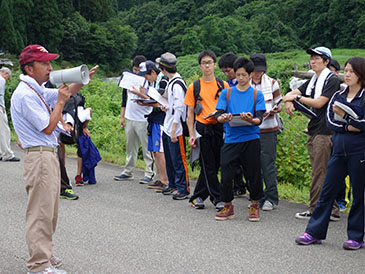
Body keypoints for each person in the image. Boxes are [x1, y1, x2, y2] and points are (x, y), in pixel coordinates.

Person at [10, 44, 97, 274]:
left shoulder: (36, 89)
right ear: (30, 68)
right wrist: (59, 102)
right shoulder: (25, 94)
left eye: (50, 62)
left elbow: (67, 93)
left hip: (47, 156)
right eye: (45, 63)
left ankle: (46, 255)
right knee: (40, 212)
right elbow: (49, 127)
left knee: (49, 210)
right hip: (39, 155)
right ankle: (38, 265)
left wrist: (82, 78)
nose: (50, 67)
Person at [295, 57, 365, 250]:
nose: (347, 74)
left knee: (359, 195)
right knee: (327, 191)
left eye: (352, 71)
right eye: (346, 71)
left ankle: (357, 237)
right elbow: (329, 121)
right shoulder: (339, 95)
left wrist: (348, 120)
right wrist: (352, 125)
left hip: (359, 151)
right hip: (338, 149)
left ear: (361, 74)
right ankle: (314, 232)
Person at [283, 46, 341, 221]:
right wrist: (289, 100)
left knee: (319, 171)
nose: (313, 61)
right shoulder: (314, 80)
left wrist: (296, 99)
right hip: (314, 129)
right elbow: (292, 93)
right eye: (312, 58)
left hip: (325, 131)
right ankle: (333, 209)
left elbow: (318, 103)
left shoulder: (331, 80)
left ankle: (315, 209)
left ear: (326, 61)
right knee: (322, 171)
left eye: (317, 58)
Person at [215, 57, 265, 222]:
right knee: (226, 170)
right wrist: (224, 117)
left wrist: (250, 120)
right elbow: (218, 115)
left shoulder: (257, 94)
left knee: (253, 173)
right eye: (238, 75)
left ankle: (255, 204)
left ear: (250, 75)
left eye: (244, 75)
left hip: (251, 138)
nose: (241, 78)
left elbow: (259, 119)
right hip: (231, 138)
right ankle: (228, 205)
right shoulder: (227, 92)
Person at [184, 49, 229, 210]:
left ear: (215, 64)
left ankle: (197, 196)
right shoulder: (194, 86)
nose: (207, 66)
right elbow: (189, 112)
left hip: (219, 127)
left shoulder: (223, 85)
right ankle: (218, 199)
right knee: (208, 164)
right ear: (200, 66)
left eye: (209, 62)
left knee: (215, 164)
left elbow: (227, 106)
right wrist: (191, 134)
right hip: (202, 129)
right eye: (204, 63)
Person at [113, 55, 155, 184]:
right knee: (130, 147)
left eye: (139, 70)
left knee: (147, 148)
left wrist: (140, 93)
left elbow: (152, 99)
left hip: (143, 118)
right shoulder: (128, 79)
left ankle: (149, 173)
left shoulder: (149, 80)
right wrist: (122, 116)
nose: (137, 72)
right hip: (130, 118)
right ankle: (127, 171)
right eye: (135, 69)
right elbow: (124, 99)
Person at [249, 53, 282, 211]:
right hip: (250, 129)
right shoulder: (245, 84)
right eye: (255, 70)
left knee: (268, 164)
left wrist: (276, 109)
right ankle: (258, 196)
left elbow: (279, 103)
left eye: (260, 70)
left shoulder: (272, 83)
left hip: (268, 129)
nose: (257, 73)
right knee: (252, 164)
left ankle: (271, 197)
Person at [133, 60, 169, 192]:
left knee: (160, 151)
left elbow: (162, 102)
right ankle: (161, 179)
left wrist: (143, 98)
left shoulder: (164, 81)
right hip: (153, 119)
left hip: (162, 119)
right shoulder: (152, 82)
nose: (145, 78)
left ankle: (166, 180)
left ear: (153, 72)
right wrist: (143, 97)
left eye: (146, 75)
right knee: (155, 151)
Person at [158, 52, 190, 200]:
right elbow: (173, 106)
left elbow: (180, 108)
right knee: (170, 158)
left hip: (175, 128)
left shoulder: (177, 83)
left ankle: (183, 187)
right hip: (168, 124)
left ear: (163, 69)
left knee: (178, 159)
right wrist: (166, 107)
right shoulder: (172, 81)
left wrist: (173, 129)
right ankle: (173, 184)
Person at [218, 52, 247, 198]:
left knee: (245, 160)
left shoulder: (244, 84)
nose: (227, 74)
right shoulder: (226, 86)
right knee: (232, 159)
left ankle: (245, 186)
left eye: (228, 71)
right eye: (223, 71)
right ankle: (238, 185)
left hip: (244, 127)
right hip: (229, 126)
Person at [0, 67, 20, 162]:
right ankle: (7, 154)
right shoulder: (1, 79)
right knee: (4, 131)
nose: (7, 79)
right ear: (6, 74)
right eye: (8, 77)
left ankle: (1, 153)